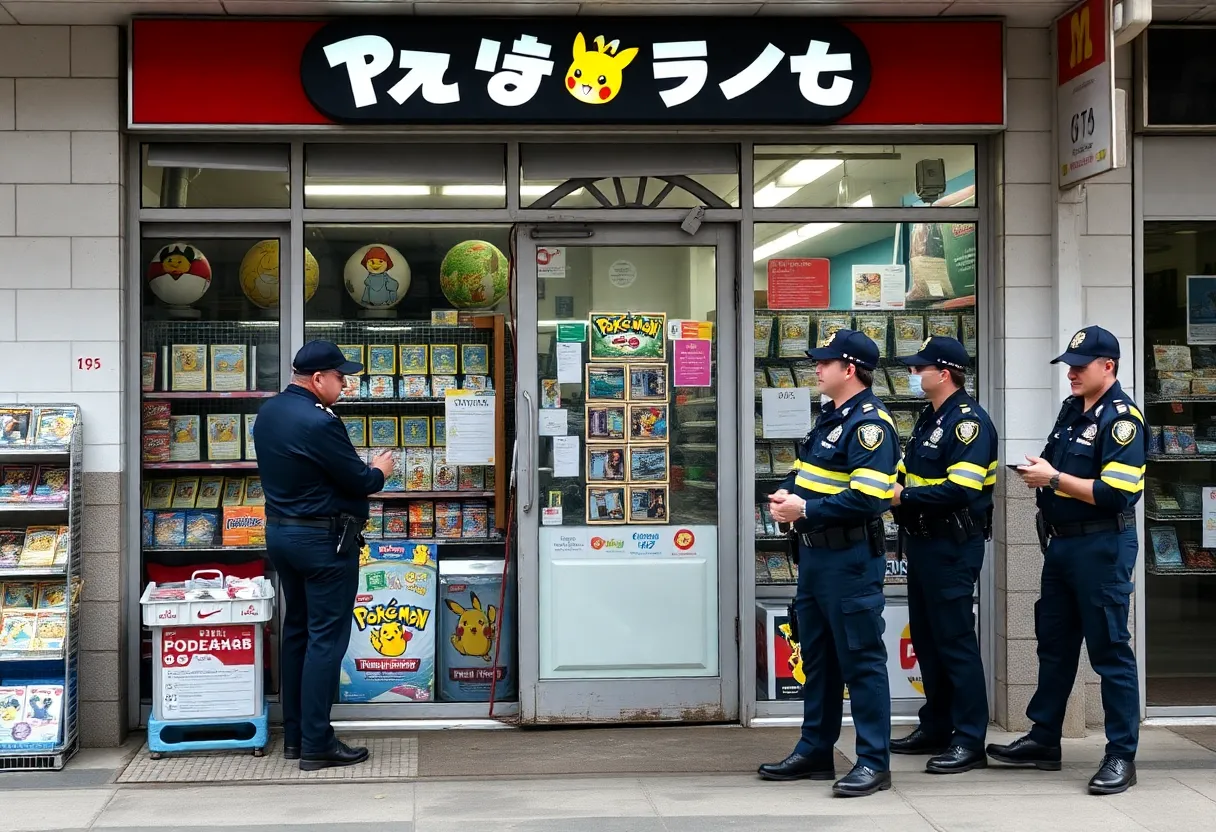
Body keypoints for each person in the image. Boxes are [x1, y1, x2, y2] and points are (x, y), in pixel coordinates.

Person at [989, 325, 1145, 795]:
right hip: (1062, 546)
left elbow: (1119, 492)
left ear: (1109, 367)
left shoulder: (1122, 419)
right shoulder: (1073, 410)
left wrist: (1053, 478)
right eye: (1068, 365)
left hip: (1101, 546)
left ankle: (1120, 755)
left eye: (1080, 366)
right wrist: (1043, 473)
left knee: (1109, 651)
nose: (1071, 373)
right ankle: (1044, 739)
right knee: (1053, 645)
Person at [758, 328, 899, 798]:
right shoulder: (832, 417)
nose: (816, 368)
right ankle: (816, 749)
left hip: (850, 559)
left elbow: (869, 496)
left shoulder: (871, 424)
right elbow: (808, 472)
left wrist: (807, 510)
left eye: (824, 362)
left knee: (861, 661)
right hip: (817, 558)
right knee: (817, 660)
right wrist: (787, 495)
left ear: (850, 369)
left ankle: (874, 761)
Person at [255, 340, 395, 771]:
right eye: (340, 377)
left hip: (282, 536)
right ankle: (318, 742)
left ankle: (295, 736)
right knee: (325, 641)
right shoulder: (320, 422)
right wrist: (380, 470)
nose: (345, 384)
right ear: (317, 379)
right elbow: (360, 480)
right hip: (323, 543)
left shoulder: (269, 412)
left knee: (296, 631)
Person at [889, 336, 997, 774]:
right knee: (929, 640)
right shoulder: (930, 418)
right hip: (924, 542)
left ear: (945, 373)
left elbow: (963, 488)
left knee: (955, 643)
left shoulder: (968, 422)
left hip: (952, 545)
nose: (913, 375)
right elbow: (907, 471)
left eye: (920, 369)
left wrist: (904, 496)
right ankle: (936, 725)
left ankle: (969, 739)